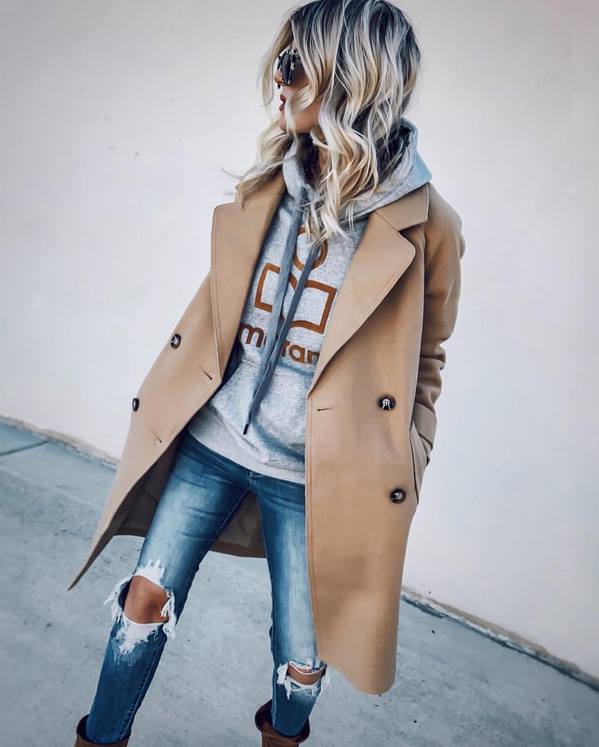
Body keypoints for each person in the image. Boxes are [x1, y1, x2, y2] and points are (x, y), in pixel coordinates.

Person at [71, 1, 466, 744]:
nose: (277, 81)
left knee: (301, 660)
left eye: (293, 65)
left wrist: (408, 454)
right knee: (143, 603)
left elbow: (428, 359)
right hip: (213, 441)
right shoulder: (271, 183)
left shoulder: (427, 225)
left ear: (350, 80)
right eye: (281, 63)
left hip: (314, 476)